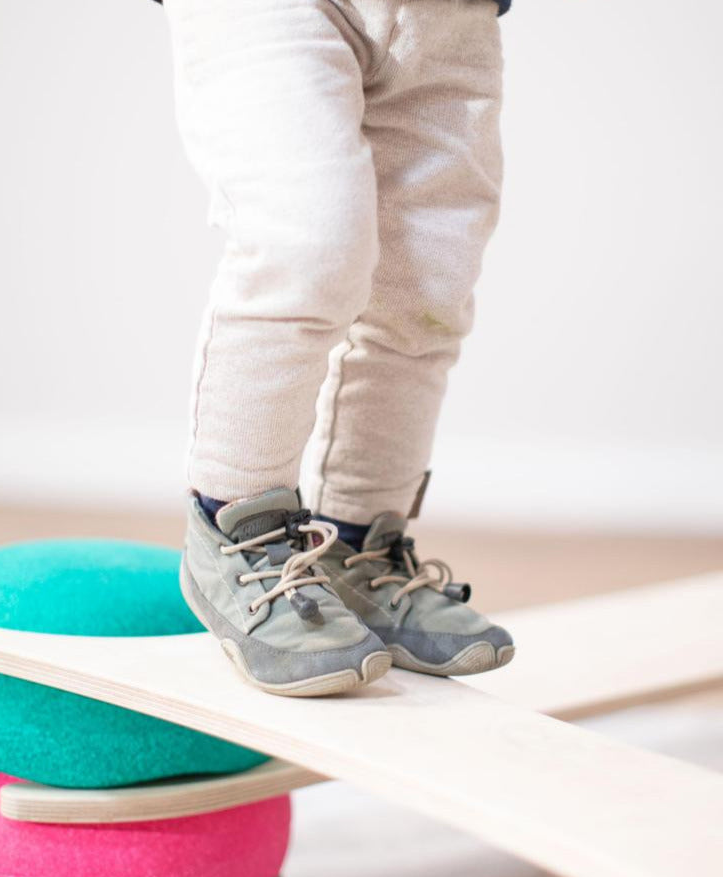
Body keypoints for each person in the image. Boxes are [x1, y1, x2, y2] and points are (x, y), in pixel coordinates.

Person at [163, 0, 515, 696]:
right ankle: (235, 531)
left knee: (429, 290)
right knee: (307, 241)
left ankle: (357, 546)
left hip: (449, 13)